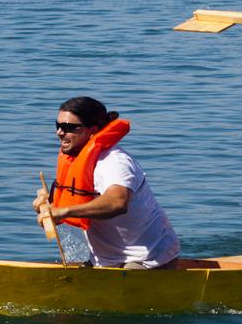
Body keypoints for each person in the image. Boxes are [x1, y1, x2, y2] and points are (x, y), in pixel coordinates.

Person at [32, 96, 180, 269]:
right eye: (58, 126)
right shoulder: (74, 161)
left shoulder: (115, 162)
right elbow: (64, 210)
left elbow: (117, 203)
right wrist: (47, 208)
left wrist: (63, 211)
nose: (59, 133)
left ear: (93, 130)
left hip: (148, 259)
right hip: (104, 261)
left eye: (69, 128)